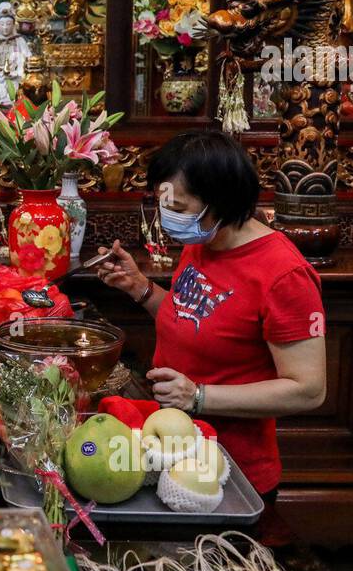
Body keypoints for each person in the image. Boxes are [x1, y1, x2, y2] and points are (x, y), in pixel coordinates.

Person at [95, 131, 327, 496]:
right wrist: (139, 288)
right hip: (172, 448)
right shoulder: (204, 241)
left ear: (221, 201)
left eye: (178, 208)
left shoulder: (283, 275)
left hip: (229, 469)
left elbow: (308, 390)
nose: (166, 217)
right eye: (163, 203)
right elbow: (192, 319)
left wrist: (199, 396)